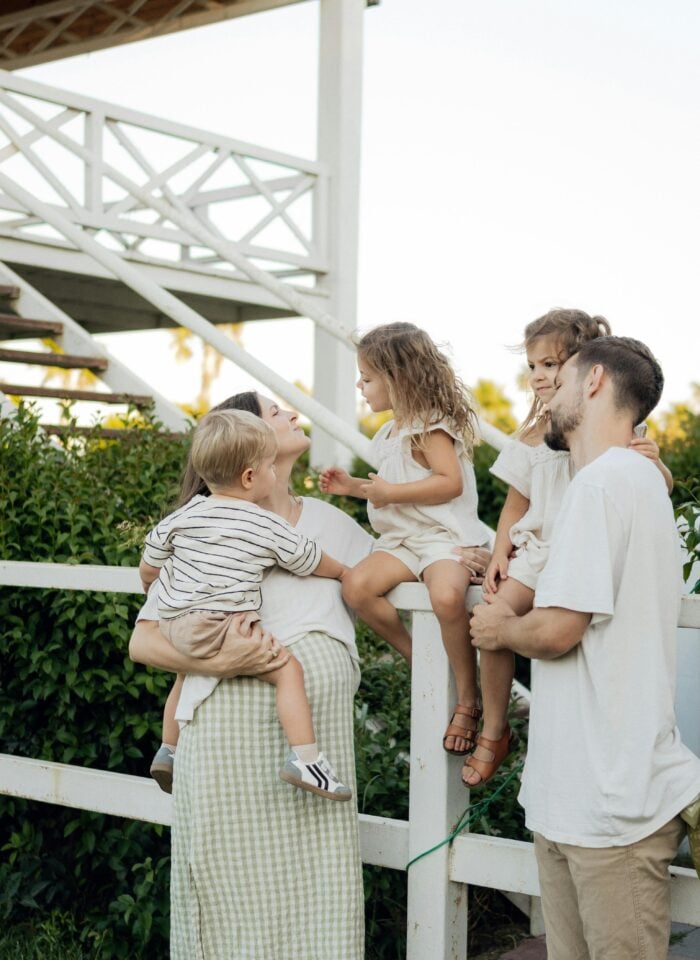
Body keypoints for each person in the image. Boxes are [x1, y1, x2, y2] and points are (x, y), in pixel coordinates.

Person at [470, 336, 700, 960]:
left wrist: (497, 631)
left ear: (594, 381)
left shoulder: (602, 484)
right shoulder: (635, 479)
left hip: (610, 806)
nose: (546, 393)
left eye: (561, 378)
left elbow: (555, 629)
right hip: (582, 796)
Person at [130, 392, 372, 960]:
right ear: (249, 457)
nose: (290, 413)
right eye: (272, 411)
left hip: (318, 744)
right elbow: (144, 639)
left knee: (318, 898)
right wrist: (221, 661)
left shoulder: (328, 522)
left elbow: (383, 570)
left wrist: (463, 555)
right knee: (227, 894)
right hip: (225, 747)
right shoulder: (204, 539)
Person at [465, 309, 673, 789]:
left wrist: (658, 464)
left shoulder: (625, 440)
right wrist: (500, 554)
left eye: (552, 365)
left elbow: (655, 488)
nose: (540, 376)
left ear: (585, 372)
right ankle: (495, 725)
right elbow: (515, 507)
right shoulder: (535, 437)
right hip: (540, 551)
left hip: (581, 550)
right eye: (533, 367)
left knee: (555, 632)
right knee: (493, 616)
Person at [140, 408, 352, 801]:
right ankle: (307, 760)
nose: (274, 474)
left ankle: (168, 748)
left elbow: (152, 554)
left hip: (176, 622)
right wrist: (342, 571)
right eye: (270, 467)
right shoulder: (262, 522)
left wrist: (149, 580)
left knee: (183, 675)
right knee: (288, 670)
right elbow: (307, 557)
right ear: (250, 477)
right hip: (221, 625)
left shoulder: (187, 514)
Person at [319, 322, 490, 762]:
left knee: (448, 595)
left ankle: (468, 696)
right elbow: (390, 487)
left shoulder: (429, 428)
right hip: (401, 539)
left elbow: (448, 483)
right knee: (356, 586)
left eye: (368, 377)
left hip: (441, 539)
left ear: (398, 379)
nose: (360, 385)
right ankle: (417, 656)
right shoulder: (387, 434)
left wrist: (388, 493)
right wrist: (353, 487)